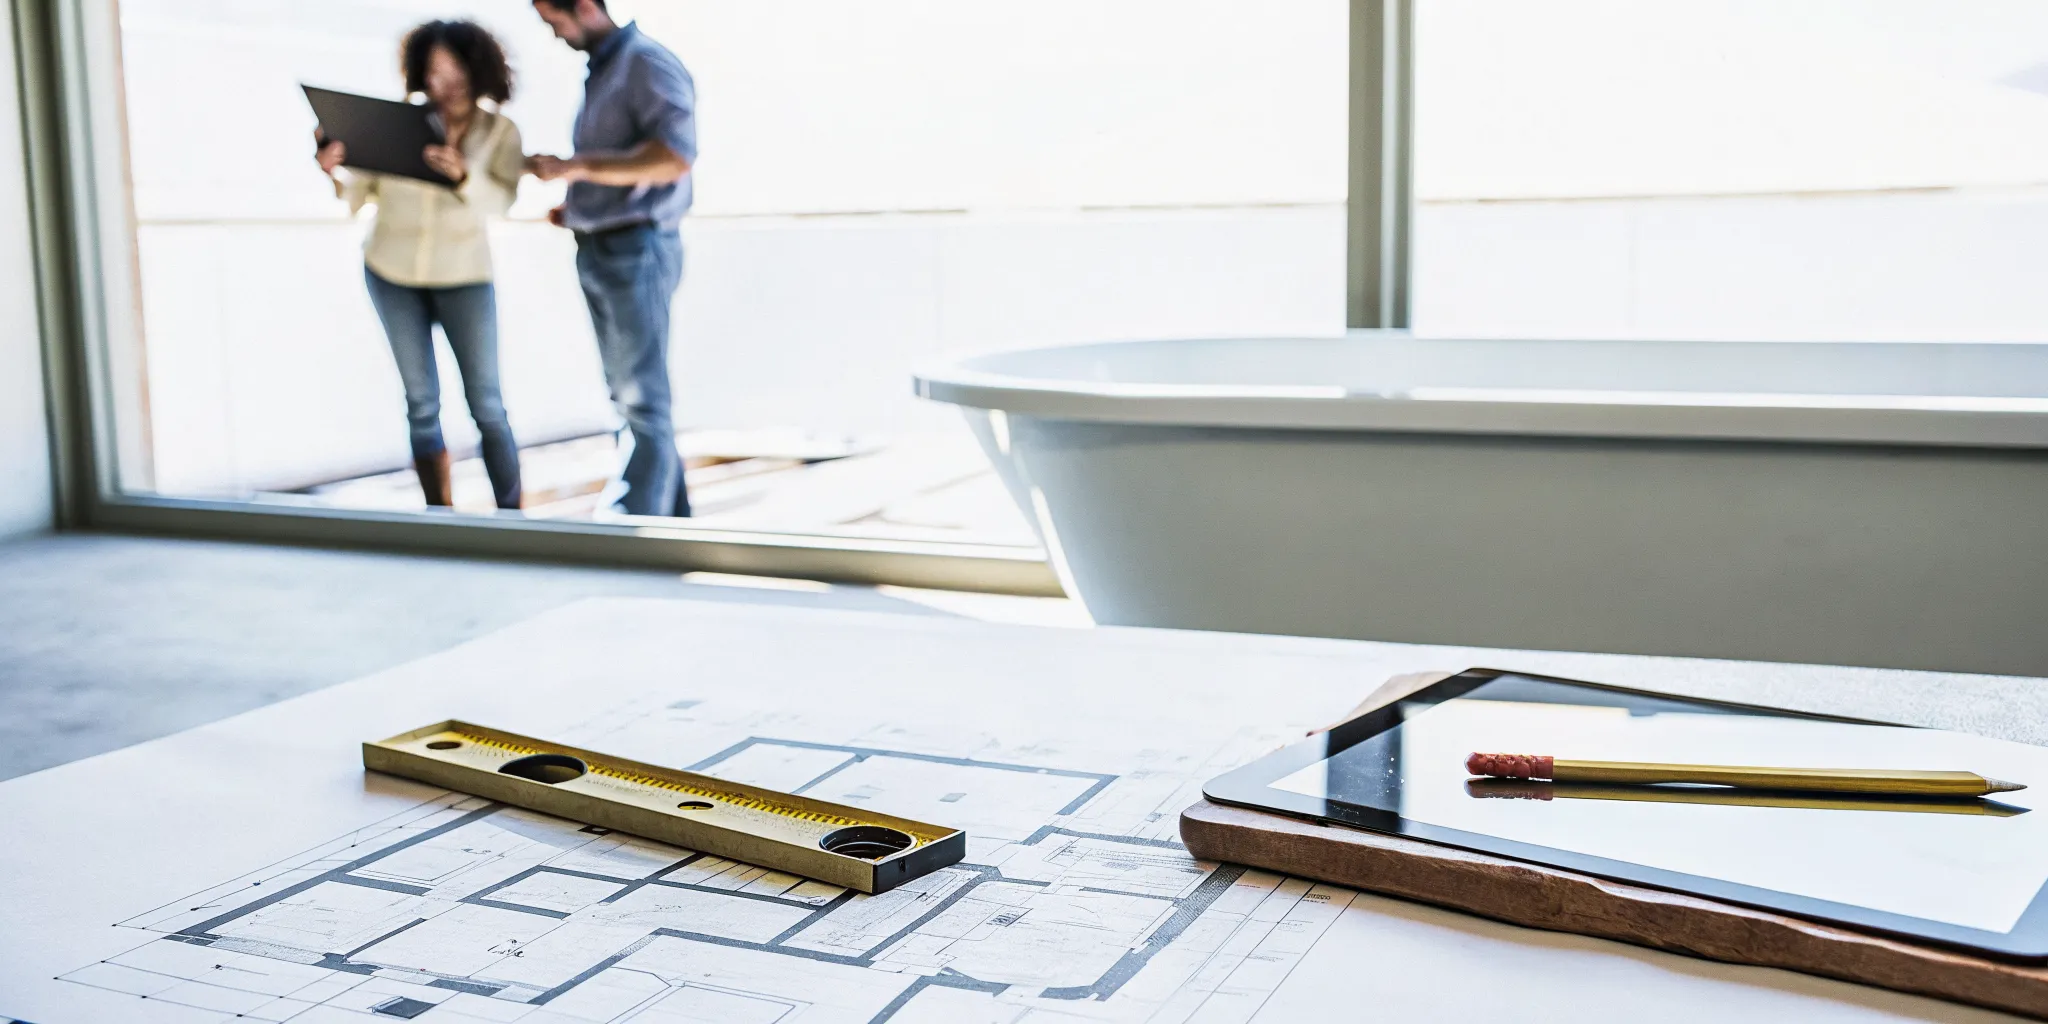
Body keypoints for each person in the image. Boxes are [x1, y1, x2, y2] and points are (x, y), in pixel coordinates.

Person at [315, 21, 528, 510]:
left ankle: (514, 520)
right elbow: (357, 197)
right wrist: (333, 170)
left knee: (487, 404)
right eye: (432, 74)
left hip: (465, 276)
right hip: (391, 272)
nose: (440, 86)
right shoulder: (395, 121)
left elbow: (502, 203)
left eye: (452, 74)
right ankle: (440, 518)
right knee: (421, 404)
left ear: (476, 71)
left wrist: (464, 177)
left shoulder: (499, 131)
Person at [528, 0, 696, 517]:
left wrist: (575, 168)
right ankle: (672, 522)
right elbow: (624, 168)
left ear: (583, 7)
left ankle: (634, 527)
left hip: (636, 249)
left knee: (642, 399)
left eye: (555, 22)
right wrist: (580, 205)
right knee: (628, 398)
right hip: (602, 244)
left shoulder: (644, 62)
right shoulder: (604, 71)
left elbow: (673, 157)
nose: (554, 35)